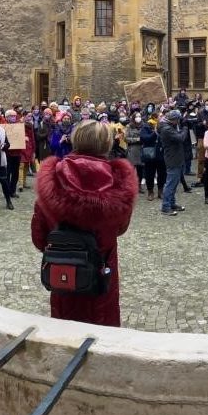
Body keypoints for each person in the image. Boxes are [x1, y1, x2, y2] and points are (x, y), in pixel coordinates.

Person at [32, 120, 136, 326]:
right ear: (107, 144)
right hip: (101, 271)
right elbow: (120, 229)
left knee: (65, 330)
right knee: (102, 329)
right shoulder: (118, 184)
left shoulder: (53, 181)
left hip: (64, 270)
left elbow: (39, 238)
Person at [158, 109, 188, 216]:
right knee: (170, 183)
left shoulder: (170, 127)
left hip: (176, 158)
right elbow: (180, 138)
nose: (179, 122)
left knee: (174, 183)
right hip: (172, 159)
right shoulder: (166, 129)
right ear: (174, 120)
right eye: (178, 120)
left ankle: (172, 203)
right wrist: (185, 128)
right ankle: (165, 207)